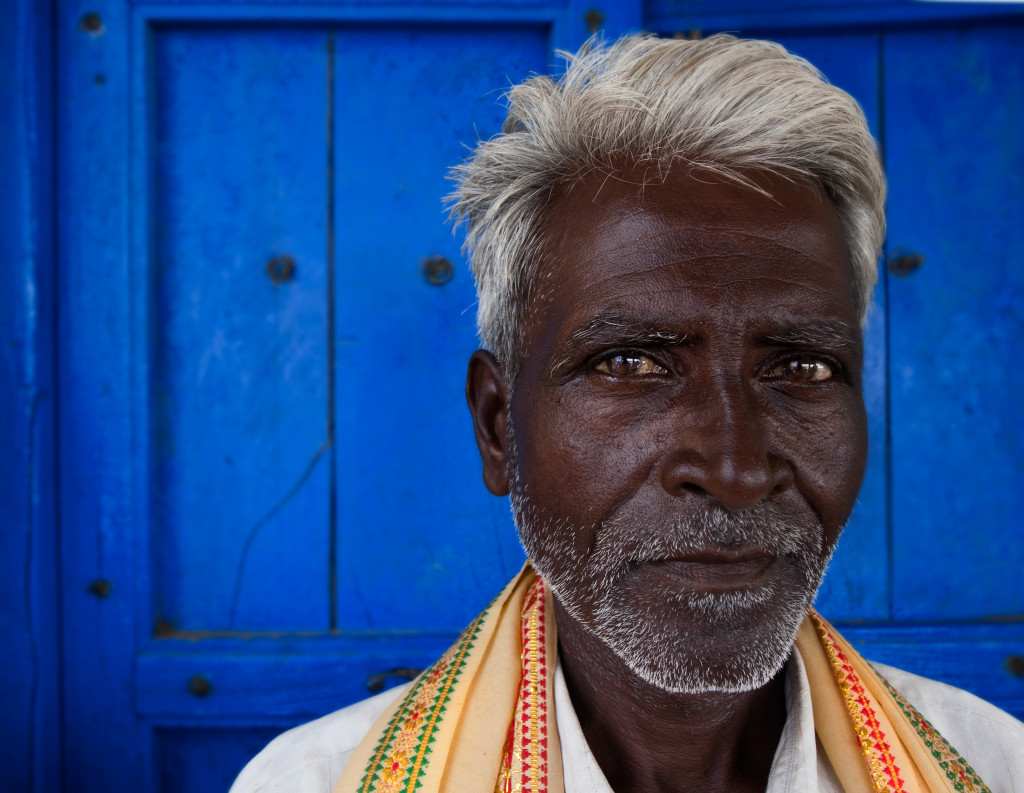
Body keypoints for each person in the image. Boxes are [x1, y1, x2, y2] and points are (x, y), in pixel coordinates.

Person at [232, 33, 1024, 793]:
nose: (735, 470)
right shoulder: (305, 783)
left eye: (802, 367)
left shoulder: (997, 766)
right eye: (631, 364)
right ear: (499, 425)